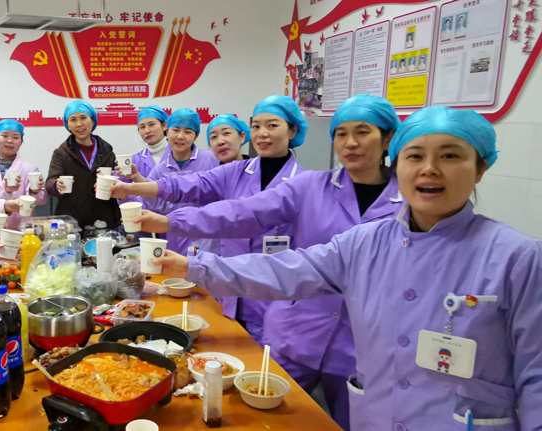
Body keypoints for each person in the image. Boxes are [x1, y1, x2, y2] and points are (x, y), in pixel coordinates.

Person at [151, 106, 540, 430]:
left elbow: (536, 370)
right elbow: (285, 269)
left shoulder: (517, 257)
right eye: (415, 156)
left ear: (480, 168)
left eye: (450, 156)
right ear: (400, 162)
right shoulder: (366, 240)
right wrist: (193, 265)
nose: (429, 169)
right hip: (368, 402)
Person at [130, 95, 402, 430]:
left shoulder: (408, 205)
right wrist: (170, 222)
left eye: (362, 132)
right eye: (341, 133)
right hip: (297, 331)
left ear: (388, 138)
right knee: (260, 418)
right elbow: (243, 212)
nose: (351, 143)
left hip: (360, 346)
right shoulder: (310, 187)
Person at [110, 96, 308, 344]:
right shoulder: (235, 171)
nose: (262, 133)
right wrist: (131, 188)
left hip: (275, 296)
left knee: (268, 358)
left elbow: (229, 215)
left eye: (272, 125)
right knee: (230, 349)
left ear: (293, 130)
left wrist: (165, 221)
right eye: (256, 126)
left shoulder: (305, 184)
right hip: (230, 290)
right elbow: (186, 184)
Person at [118, 108, 218, 252]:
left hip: (207, 237)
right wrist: (127, 190)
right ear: (167, 130)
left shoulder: (212, 160)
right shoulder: (160, 170)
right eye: (175, 130)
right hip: (174, 238)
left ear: (196, 135)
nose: (180, 136)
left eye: (188, 132)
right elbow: (151, 201)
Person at [46, 100, 121, 229]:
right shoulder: (61, 153)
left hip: (103, 220)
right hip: (72, 221)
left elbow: (117, 184)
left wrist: (117, 179)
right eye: (73, 120)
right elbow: (50, 182)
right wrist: (56, 185)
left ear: (92, 121)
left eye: (83, 118)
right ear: (67, 125)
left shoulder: (107, 152)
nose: (79, 124)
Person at [0, 119, 47, 227]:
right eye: (5, 136)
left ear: (21, 142)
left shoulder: (30, 169)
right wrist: (6, 192)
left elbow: (41, 201)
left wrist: (34, 192)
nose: (10, 141)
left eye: (15, 137)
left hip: (21, 228)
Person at [131, 105, 169, 178]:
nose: (147, 131)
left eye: (151, 125)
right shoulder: (135, 160)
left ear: (164, 126)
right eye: (142, 127)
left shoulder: (180, 155)